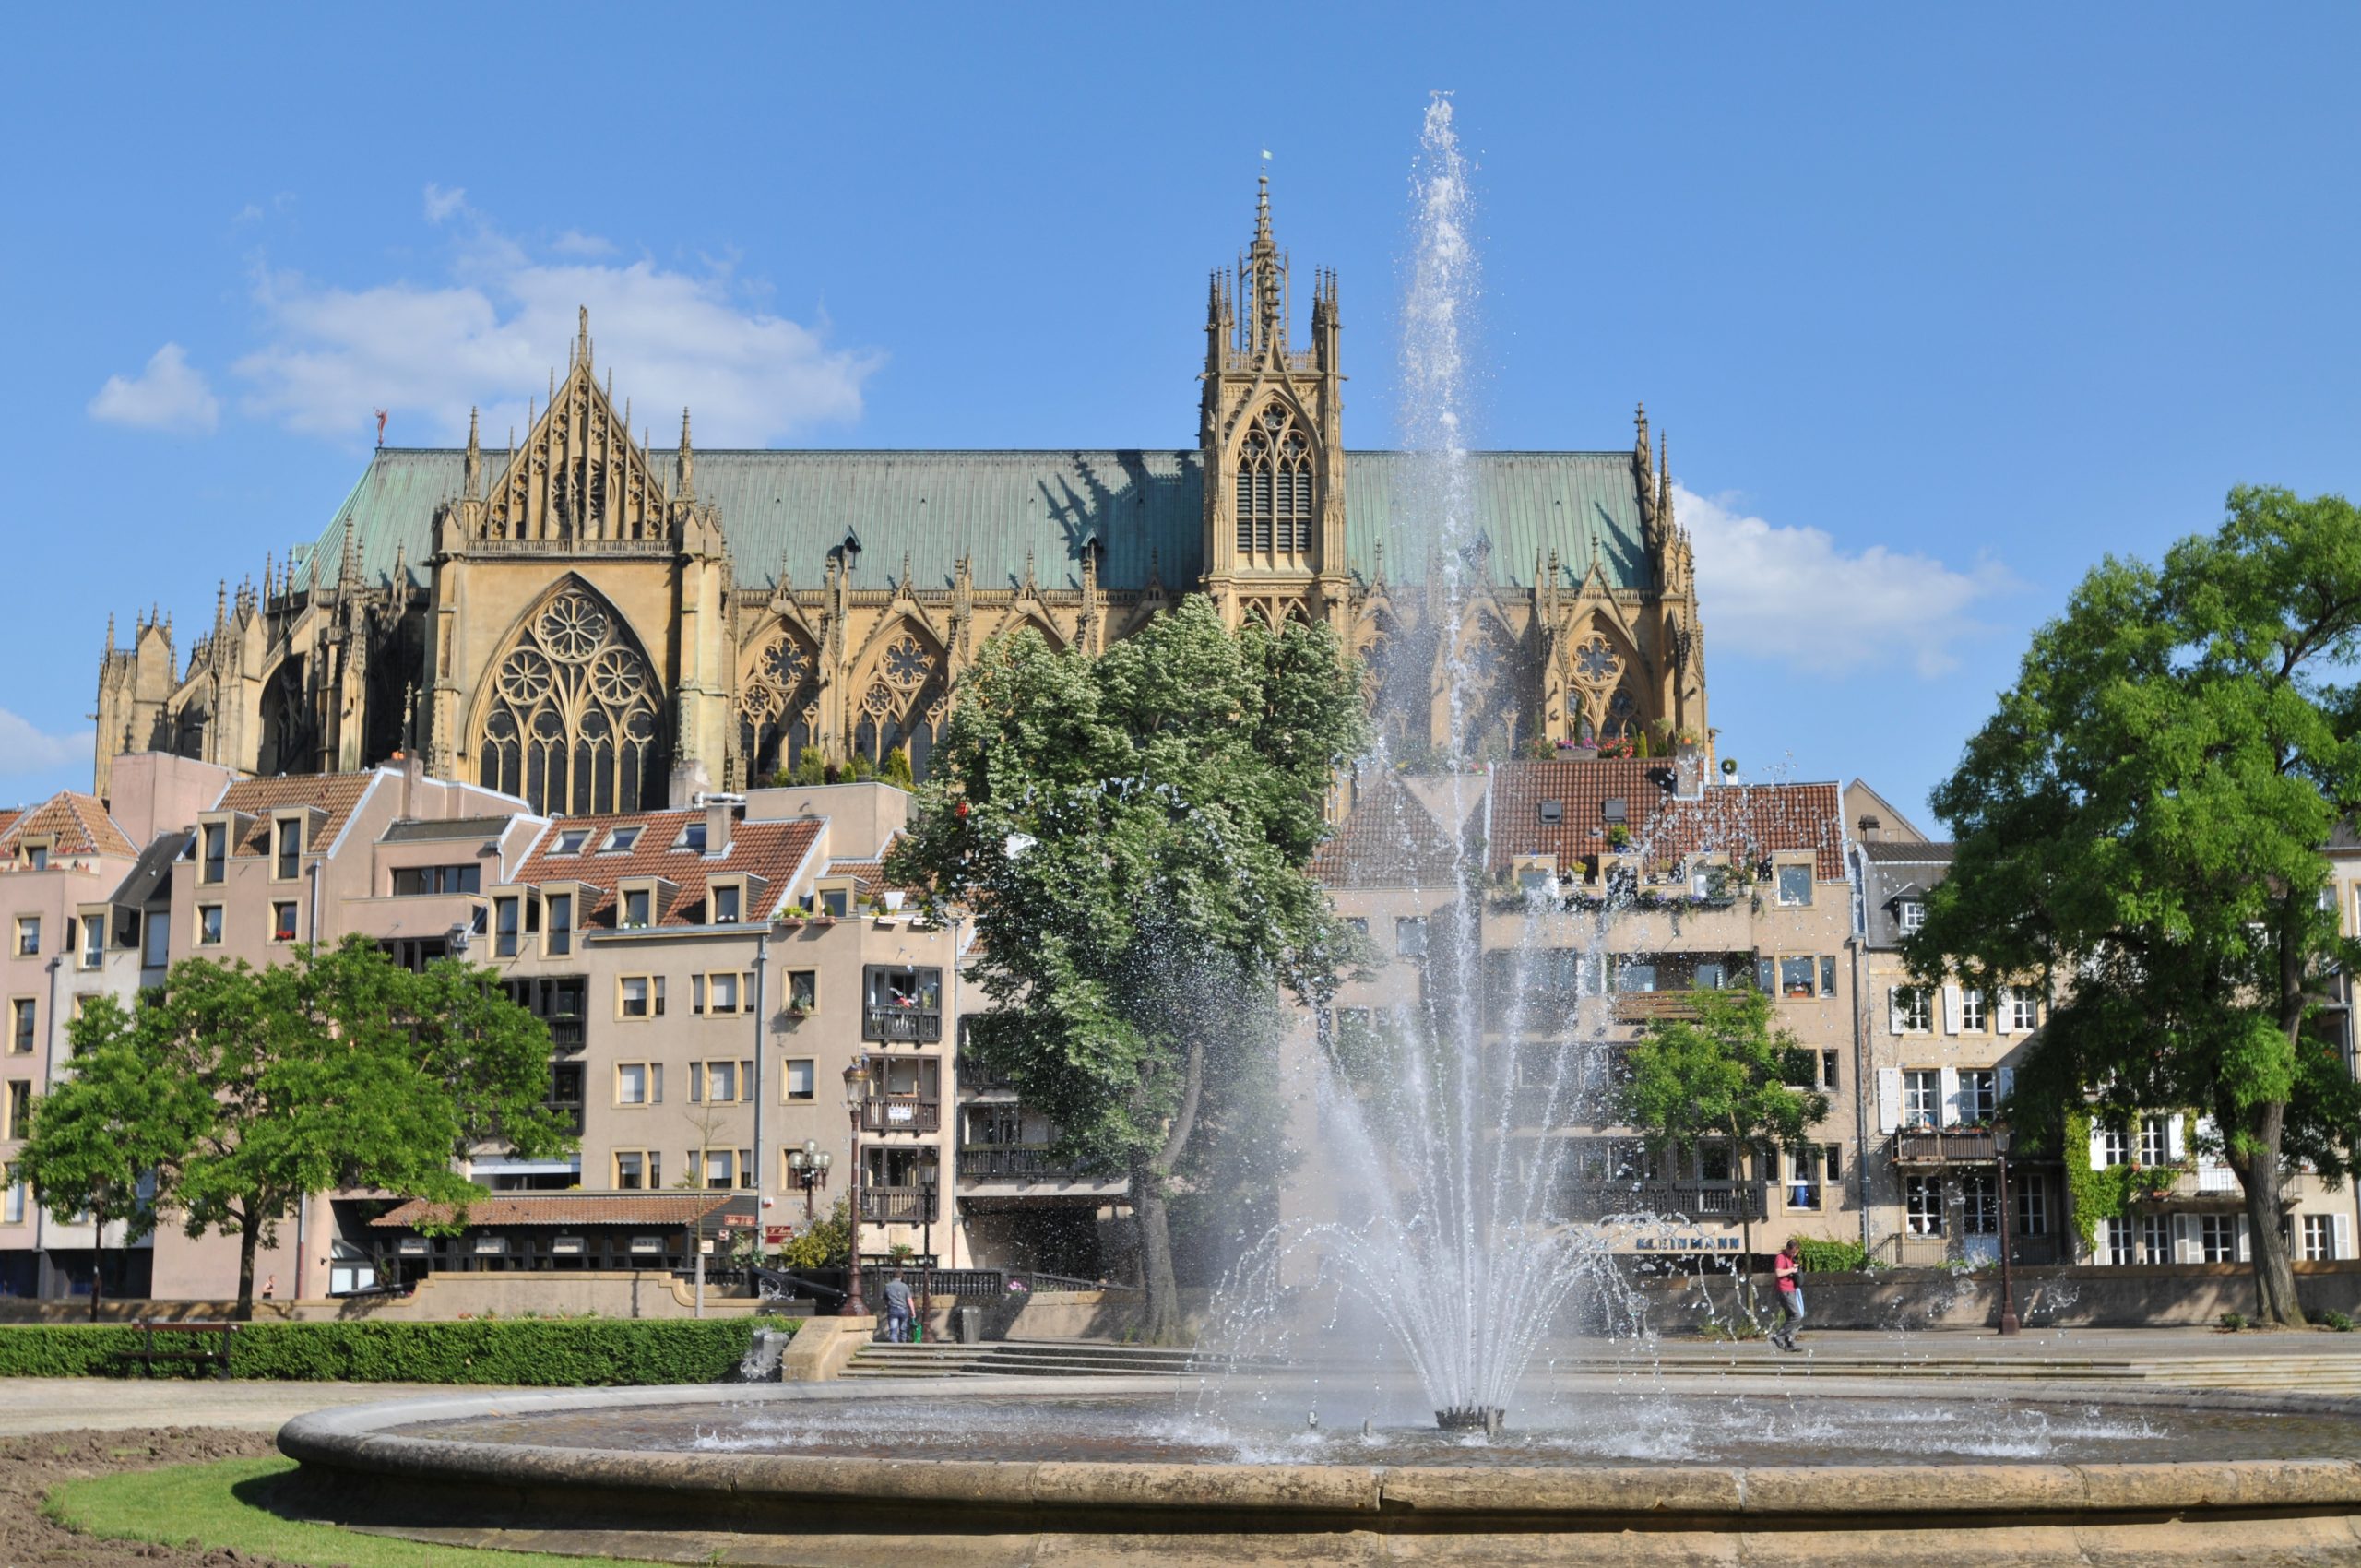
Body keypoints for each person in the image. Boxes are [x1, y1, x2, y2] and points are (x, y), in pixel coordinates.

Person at [1770, 1238, 1805, 1351]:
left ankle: (1789, 1344)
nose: (1794, 1254)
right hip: (1785, 1290)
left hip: (1791, 1290)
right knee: (1797, 1316)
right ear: (1787, 1249)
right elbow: (1778, 1273)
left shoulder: (1790, 1258)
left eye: (1796, 1252)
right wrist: (1792, 1270)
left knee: (1791, 1317)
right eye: (1792, 1252)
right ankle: (1778, 1336)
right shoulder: (1781, 1257)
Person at [882, 1272, 913, 1343]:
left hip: (892, 1308)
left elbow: (885, 1299)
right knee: (903, 1329)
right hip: (903, 1309)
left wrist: (887, 1306)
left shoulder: (888, 1286)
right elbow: (909, 1300)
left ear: (892, 1276)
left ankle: (894, 1345)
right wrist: (912, 1311)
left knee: (893, 1329)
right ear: (901, 1277)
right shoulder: (905, 1286)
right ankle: (903, 1343)